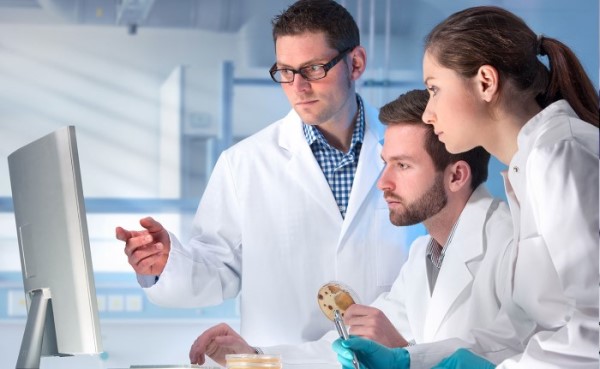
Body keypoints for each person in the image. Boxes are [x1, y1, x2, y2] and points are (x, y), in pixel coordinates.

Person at [114, 0, 407, 347]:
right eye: (285, 71)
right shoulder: (244, 164)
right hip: (285, 361)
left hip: (392, 358)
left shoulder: (412, 151)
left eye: (314, 69)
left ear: (355, 63)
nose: (298, 87)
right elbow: (218, 267)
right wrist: (166, 265)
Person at [335, 5, 599, 369]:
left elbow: (593, 331)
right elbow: (522, 331)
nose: (428, 113)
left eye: (434, 90)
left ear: (486, 83)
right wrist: (410, 361)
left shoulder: (561, 154)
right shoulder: (528, 168)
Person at [188, 90, 521, 368]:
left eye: (402, 166)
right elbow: (346, 346)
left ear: (456, 176)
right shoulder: (424, 255)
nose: (383, 183)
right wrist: (255, 358)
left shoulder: (512, 243)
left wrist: (405, 356)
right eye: (385, 163)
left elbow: (526, 351)